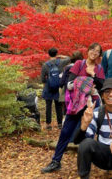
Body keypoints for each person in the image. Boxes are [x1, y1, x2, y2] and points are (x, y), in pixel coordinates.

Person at [41, 43, 104, 173]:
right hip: (75, 105)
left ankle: (84, 165)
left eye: (97, 51)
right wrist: (87, 84)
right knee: (65, 132)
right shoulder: (79, 64)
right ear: (88, 50)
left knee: (88, 136)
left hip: (91, 105)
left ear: (99, 55)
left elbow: (101, 86)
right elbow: (69, 84)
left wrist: (92, 75)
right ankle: (55, 161)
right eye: (92, 49)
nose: (94, 52)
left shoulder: (99, 69)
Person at [41, 48, 70, 130]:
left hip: (48, 87)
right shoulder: (61, 62)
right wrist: (61, 56)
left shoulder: (45, 65)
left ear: (48, 54)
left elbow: (43, 78)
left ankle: (48, 124)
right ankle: (60, 124)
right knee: (58, 106)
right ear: (56, 53)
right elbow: (69, 58)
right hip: (58, 87)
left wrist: (46, 84)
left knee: (48, 106)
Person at [59, 51, 84, 116]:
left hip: (69, 91)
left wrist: (61, 85)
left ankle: (66, 121)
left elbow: (62, 80)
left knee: (68, 108)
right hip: (80, 91)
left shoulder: (68, 67)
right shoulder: (83, 66)